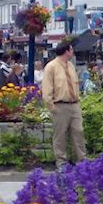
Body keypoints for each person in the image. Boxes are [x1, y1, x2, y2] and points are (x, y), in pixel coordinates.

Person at [41, 41, 86, 169]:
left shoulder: (70, 66)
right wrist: (51, 106)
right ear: (67, 51)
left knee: (79, 132)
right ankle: (61, 162)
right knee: (59, 135)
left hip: (74, 104)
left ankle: (82, 161)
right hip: (60, 105)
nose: (72, 52)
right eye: (71, 49)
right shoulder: (51, 67)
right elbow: (47, 88)